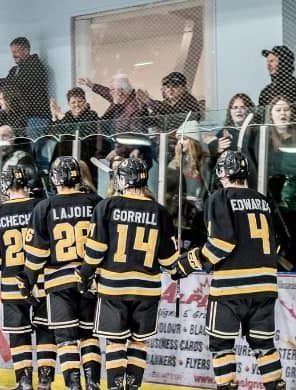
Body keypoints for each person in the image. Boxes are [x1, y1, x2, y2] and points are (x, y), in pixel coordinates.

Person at [171, 150, 285, 390]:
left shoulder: (220, 197)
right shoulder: (262, 200)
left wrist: (187, 263)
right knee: (264, 346)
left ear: (222, 173)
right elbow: (279, 242)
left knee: (221, 345)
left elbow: (222, 243)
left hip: (231, 288)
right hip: (265, 286)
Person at [79, 157, 178, 390]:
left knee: (115, 343)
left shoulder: (107, 206)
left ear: (122, 180)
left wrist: (85, 275)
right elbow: (169, 260)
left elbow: (95, 250)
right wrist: (180, 268)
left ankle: (115, 387)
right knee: (139, 343)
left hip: (114, 288)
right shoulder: (160, 211)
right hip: (147, 290)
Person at [23, 156, 104, 390]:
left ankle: (73, 385)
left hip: (59, 283)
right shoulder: (96, 202)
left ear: (54, 179)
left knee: (66, 338)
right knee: (89, 335)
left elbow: (36, 253)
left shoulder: (44, 207)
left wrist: (28, 280)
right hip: (90, 280)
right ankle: (93, 383)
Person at [0, 166, 56, 390]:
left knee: (18, 333)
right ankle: (45, 381)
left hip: (12, 285)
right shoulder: (41, 206)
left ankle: (24, 381)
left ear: (5, 186)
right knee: (45, 330)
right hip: (41, 282)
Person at [0, 37, 51, 128]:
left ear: (26, 50)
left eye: (16, 52)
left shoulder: (35, 66)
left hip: (36, 116)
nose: (13, 55)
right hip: (21, 117)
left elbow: (17, 83)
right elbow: (6, 88)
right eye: (12, 52)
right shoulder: (14, 70)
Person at [207, 94, 258, 191]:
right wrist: (214, 149)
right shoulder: (223, 133)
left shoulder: (256, 132)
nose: (239, 110)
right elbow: (211, 164)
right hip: (229, 185)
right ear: (230, 111)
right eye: (235, 107)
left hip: (251, 183)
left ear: (249, 110)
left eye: (242, 107)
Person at [79, 75, 151, 133]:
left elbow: (136, 136)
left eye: (112, 90)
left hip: (121, 144)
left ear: (121, 91)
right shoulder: (120, 99)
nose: (110, 93)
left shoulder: (135, 109)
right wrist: (92, 85)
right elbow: (106, 92)